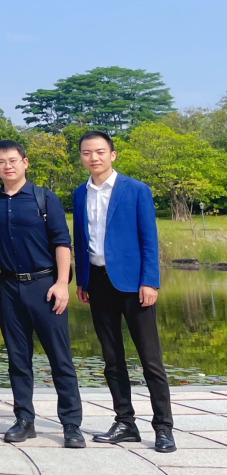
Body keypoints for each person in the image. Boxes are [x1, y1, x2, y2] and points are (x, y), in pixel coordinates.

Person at [74, 131, 175, 453]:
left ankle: (163, 428)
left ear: (112, 155)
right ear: (81, 157)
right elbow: (81, 239)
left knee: (150, 360)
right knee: (112, 358)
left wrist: (150, 281)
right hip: (97, 282)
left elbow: (149, 239)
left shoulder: (136, 190)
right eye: (87, 152)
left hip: (133, 284)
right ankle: (125, 422)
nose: (94, 158)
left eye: (100, 152)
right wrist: (82, 281)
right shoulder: (79, 193)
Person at [0, 140, 83, 448]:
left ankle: (71, 424)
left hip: (45, 285)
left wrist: (62, 283)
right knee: (17, 358)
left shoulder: (44, 198)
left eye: (13, 160)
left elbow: (62, 242)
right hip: (8, 287)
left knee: (59, 358)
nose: (8, 166)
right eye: (1, 161)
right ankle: (24, 420)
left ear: (25, 162)